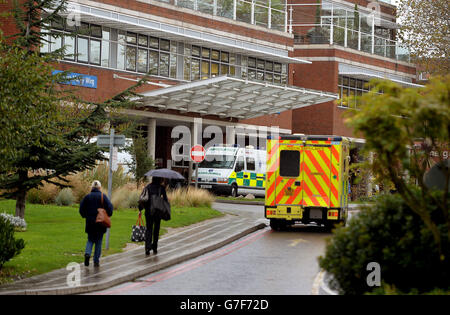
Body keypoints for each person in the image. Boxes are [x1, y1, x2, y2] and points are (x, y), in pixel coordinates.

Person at [79, 180, 113, 267]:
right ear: (100, 188)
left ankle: (87, 253)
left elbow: (81, 209)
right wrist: (108, 214)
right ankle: (96, 260)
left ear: (92, 187)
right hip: (100, 223)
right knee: (98, 241)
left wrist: (85, 215)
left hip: (90, 222)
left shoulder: (87, 197)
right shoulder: (103, 196)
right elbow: (110, 209)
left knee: (90, 240)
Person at [139, 176, 168, 255]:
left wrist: (140, 209)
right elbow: (165, 200)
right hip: (157, 212)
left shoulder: (148, 187)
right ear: (160, 179)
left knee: (149, 229)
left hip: (148, 211)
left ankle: (147, 248)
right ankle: (155, 247)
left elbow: (143, 198)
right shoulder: (161, 188)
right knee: (156, 229)